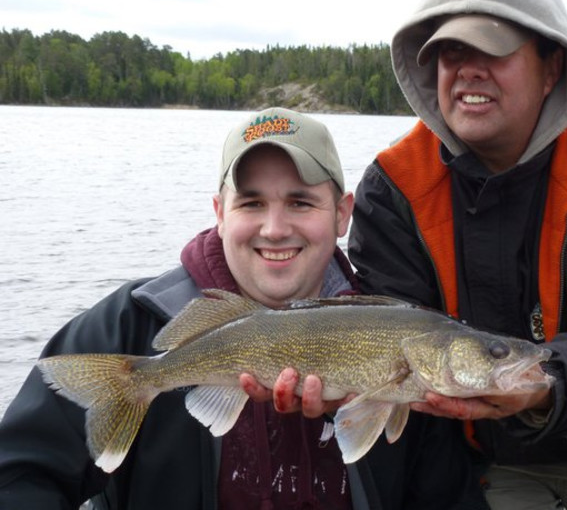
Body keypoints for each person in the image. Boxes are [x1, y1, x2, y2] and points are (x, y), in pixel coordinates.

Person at [0, 107, 487, 509]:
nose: (274, 228)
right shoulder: (129, 325)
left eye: (300, 202)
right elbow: (20, 474)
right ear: (219, 212)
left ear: (342, 213)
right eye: (251, 203)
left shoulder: (405, 338)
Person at [345, 0, 567, 509]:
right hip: (472, 461)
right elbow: (392, 330)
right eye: (451, 54)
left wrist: (545, 384)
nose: (468, 72)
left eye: (492, 51)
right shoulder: (394, 186)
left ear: (551, 67)